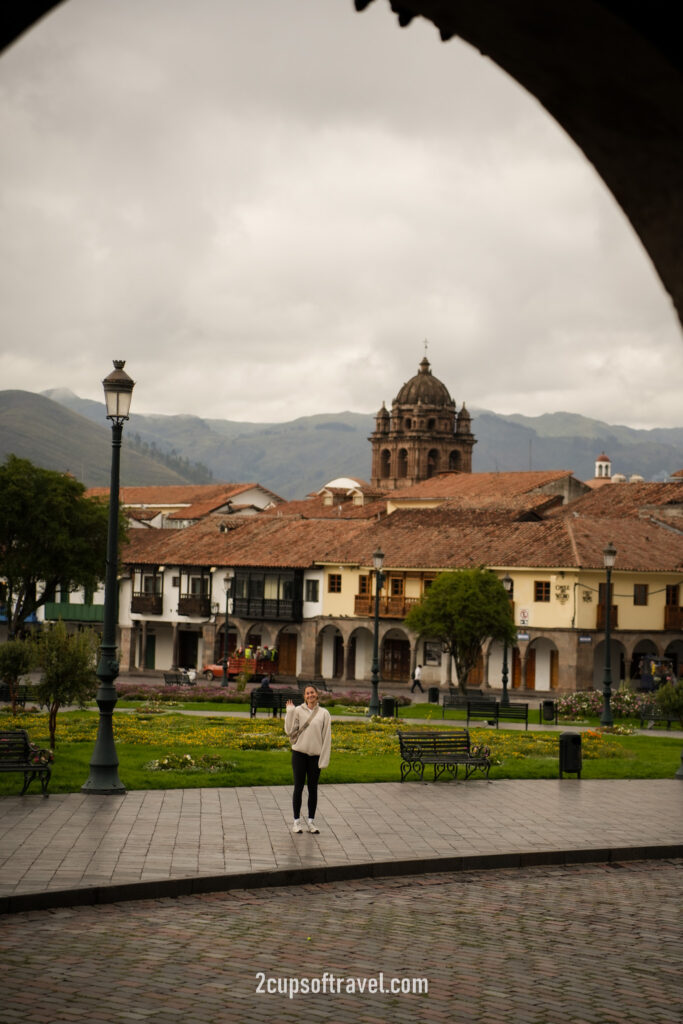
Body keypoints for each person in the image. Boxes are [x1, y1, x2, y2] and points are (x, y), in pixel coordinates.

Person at [284, 685, 331, 834]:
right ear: (304, 696)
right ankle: (296, 822)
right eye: (307, 693)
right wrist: (290, 712)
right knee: (298, 787)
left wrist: (323, 759)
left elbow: (326, 738)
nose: (310, 695)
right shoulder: (297, 710)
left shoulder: (324, 714)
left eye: (312, 693)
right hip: (299, 754)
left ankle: (311, 822)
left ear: (317, 695)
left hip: (315, 757)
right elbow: (289, 730)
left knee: (313, 789)